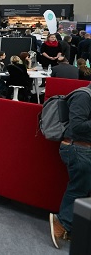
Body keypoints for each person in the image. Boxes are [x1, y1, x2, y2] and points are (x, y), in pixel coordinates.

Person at [50, 83, 91, 248]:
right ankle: (61, 222)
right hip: (77, 149)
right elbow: (77, 126)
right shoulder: (83, 96)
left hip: (82, 148)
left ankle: (69, 225)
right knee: (79, 189)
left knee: (83, 189)